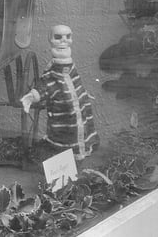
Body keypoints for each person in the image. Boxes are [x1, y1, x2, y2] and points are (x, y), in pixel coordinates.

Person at [20, 25, 99, 161]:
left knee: (81, 125)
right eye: (58, 38)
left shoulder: (71, 66)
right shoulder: (52, 71)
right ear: (50, 40)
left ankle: (80, 152)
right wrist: (33, 95)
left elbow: (76, 80)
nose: (63, 41)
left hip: (78, 106)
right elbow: (47, 83)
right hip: (63, 110)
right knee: (66, 132)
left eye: (68, 37)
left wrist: (83, 93)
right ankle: (66, 157)